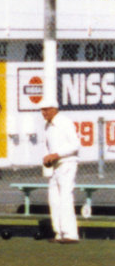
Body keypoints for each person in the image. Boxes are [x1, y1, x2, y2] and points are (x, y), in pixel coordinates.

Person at [37, 103, 82, 243]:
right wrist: (47, 158)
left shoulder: (64, 122)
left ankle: (70, 234)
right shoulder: (47, 126)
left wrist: (56, 154)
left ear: (54, 109)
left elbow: (75, 144)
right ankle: (59, 233)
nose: (43, 112)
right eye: (42, 110)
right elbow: (47, 146)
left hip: (67, 163)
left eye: (46, 109)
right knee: (54, 199)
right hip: (54, 166)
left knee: (65, 198)